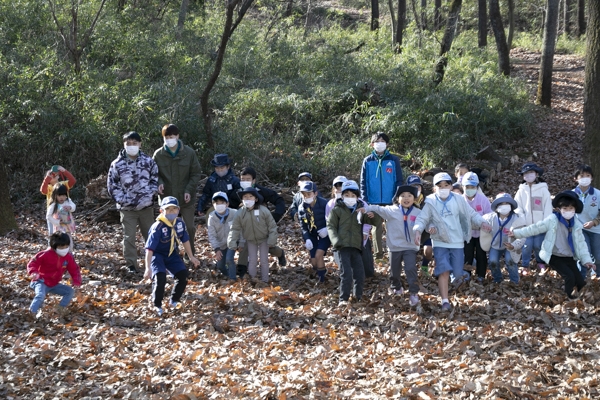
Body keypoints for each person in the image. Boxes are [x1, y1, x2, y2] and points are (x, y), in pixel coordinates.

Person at [413, 172, 491, 311]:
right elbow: (422, 218)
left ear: (451, 185)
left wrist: (482, 222)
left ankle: (455, 284)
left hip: (457, 241)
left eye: (446, 185)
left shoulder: (458, 199)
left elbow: (471, 214)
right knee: (443, 271)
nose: (443, 188)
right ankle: (445, 301)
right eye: (440, 186)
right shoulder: (430, 202)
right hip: (440, 241)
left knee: (457, 271)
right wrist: (418, 230)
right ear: (434, 188)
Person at [510, 191, 596, 299]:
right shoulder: (552, 220)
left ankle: (582, 298)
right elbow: (535, 228)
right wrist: (516, 233)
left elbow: (581, 244)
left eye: (571, 209)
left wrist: (587, 260)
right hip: (554, 255)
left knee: (579, 280)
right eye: (565, 209)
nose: (568, 212)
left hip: (569, 256)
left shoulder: (576, 225)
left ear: (575, 210)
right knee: (569, 276)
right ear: (559, 209)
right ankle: (570, 299)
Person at [107, 131, 159, 273]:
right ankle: (131, 265)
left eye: (134, 143)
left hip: (146, 207)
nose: (131, 146)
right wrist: (122, 199)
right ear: (124, 144)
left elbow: (155, 179)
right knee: (129, 237)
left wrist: (149, 194)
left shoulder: (148, 161)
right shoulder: (117, 164)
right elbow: (112, 185)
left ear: (140, 144)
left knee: (150, 236)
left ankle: (154, 262)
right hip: (127, 209)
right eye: (128, 143)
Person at [327, 180, 381, 306]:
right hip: (342, 247)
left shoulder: (360, 211)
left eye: (353, 196)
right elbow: (331, 226)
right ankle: (343, 299)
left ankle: (358, 297)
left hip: (357, 247)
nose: (350, 198)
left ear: (357, 197)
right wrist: (336, 241)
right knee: (346, 273)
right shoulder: (337, 210)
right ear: (342, 196)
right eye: (347, 195)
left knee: (359, 274)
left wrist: (372, 215)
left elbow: (376, 222)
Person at [144, 197, 200, 316]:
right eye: (168, 209)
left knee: (182, 275)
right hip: (157, 255)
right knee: (160, 278)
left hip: (172, 254)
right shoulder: (157, 227)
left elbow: (185, 240)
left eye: (174, 209)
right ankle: (157, 305)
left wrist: (191, 256)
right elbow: (149, 249)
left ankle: (174, 300)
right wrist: (147, 268)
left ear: (178, 210)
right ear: (161, 211)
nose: (171, 212)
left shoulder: (179, 223)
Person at [367, 185, 421, 306]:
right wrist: (365, 208)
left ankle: (413, 292)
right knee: (394, 271)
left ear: (414, 199)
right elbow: (378, 208)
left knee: (410, 268)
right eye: (402, 196)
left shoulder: (418, 212)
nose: (406, 198)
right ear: (397, 198)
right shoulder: (391, 210)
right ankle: (396, 287)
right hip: (395, 247)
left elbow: (425, 222)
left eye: (409, 196)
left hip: (410, 247)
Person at [153, 124, 202, 255]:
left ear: (177, 136)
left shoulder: (189, 152)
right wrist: (159, 182)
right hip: (167, 198)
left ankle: (190, 254)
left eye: (172, 136)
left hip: (186, 197)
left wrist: (188, 189)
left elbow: (196, 173)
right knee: (166, 228)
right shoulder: (158, 154)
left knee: (189, 228)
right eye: (167, 137)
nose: (169, 139)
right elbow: (154, 173)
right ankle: (170, 254)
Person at [229, 166, 287, 275]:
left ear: (254, 180)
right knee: (244, 243)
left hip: (261, 226)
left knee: (269, 247)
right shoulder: (236, 193)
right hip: (245, 225)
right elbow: (230, 208)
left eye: (248, 179)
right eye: (242, 179)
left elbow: (279, 200)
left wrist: (276, 215)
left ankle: (280, 253)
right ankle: (242, 269)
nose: (245, 182)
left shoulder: (262, 191)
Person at [360, 132, 403, 260]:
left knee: (392, 227)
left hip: (391, 200)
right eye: (377, 141)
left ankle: (393, 253)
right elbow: (363, 182)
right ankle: (378, 256)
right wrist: (365, 200)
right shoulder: (367, 161)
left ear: (387, 144)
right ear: (372, 144)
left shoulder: (393, 160)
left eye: (383, 141)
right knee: (376, 227)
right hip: (373, 201)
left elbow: (399, 180)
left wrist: (397, 197)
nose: (380, 143)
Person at [228, 187, 278, 283]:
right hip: (250, 240)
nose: (248, 199)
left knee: (264, 260)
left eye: (251, 197)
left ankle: (265, 280)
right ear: (242, 199)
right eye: (245, 197)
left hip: (264, 239)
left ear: (256, 199)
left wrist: (272, 239)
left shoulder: (263, 210)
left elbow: (272, 226)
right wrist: (232, 242)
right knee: (252, 260)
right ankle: (253, 279)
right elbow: (235, 228)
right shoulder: (240, 213)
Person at [27, 232, 82, 317]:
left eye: (66, 247)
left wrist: (76, 281)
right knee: (40, 295)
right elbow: (33, 263)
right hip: (41, 281)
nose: (64, 249)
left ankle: (59, 309)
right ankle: (31, 313)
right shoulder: (45, 254)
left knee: (69, 292)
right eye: (61, 247)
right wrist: (34, 272)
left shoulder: (68, 257)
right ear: (54, 247)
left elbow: (74, 269)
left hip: (54, 284)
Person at [514, 162, 553, 274]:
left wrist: (545, 222)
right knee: (526, 245)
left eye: (531, 172)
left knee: (538, 245)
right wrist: (521, 219)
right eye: (526, 173)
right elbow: (518, 207)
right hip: (526, 226)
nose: (529, 175)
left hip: (540, 225)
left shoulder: (543, 189)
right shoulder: (521, 191)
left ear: (536, 174)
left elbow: (547, 207)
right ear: (522, 176)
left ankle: (540, 262)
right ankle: (525, 264)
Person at [480, 193, 527, 284]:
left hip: (511, 245)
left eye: (507, 203)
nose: (504, 206)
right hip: (495, 245)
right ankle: (497, 279)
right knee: (492, 261)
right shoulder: (490, 218)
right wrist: (483, 226)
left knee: (510, 260)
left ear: (511, 206)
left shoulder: (517, 219)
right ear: (497, 207)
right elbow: (479, 221)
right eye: (501, 204)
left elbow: (522, 236)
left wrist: (513, 246)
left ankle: (514, 280)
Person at [297, 181, 330, 282]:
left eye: (309, 194)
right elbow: (303, 226)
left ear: (315, 193)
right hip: (312, 235)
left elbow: (332, 219)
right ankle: (321, 271)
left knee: (318, 255)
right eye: (304, 195)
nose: (306, 197)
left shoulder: (324, 204)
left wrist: (327, 229)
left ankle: (322, 280)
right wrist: (307, 239)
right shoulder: (302, 208)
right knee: (314, 260)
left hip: (325, 234)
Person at [461, 172, 492, 281]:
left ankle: (481, 275)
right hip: (466, 233)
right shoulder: (460, 200)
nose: (470, 189)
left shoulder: (483, 200)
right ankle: (466, 273)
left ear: (477, 187)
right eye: (467, 187)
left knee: (481, 254)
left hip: (481, 233)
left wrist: (485, 224)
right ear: (462, 187)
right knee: (467, 254)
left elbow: (489, 214)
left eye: (472, 187)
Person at [572, 165, 600, 278]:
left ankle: (597, 276)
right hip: (579, 229)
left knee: (597, 255)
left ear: (592, 178)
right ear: (576, 179)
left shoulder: (598, 194)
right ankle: (581, 278)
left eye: (587, 176)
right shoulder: (572, 194)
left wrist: (594, 222)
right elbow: (567, 212)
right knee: (583, 253)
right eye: (581, 176)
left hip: (596, 230)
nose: (585, 178)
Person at [207, 192, 238, 280]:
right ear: (213, 205)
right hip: (220, 244)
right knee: (220, 265)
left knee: (229, 259)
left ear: (227, 204)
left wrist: (240, 241)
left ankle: (233, 279)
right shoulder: (212, 217)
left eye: (222, 202)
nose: (219, 205)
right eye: (217, 203)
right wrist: (216, 248)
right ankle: (228, 274)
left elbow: (240, 228)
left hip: (232, 242)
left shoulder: (234, 213)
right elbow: (212, 235)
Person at [407, 174, 432, 275]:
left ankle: (425, 266)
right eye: (412, 187)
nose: (416, 189)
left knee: (428, 250)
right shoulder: (405, 201)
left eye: (418, 186)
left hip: (425, 233)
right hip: (409, 234)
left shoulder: (427, 202)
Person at [40, 165, 76, 235]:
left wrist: (64, 171)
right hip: (52, 213)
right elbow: (42, 190)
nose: (53, 175)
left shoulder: (63, 185)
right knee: (52, 232)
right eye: (51, 174)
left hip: (64, 211)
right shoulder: (49, 187)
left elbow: (73, 181)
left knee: (66, 230)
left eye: (54, 174)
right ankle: (52, 245)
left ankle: (66, 244)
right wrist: (48, 177)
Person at [46, 183, 76, 252]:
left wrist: (70, 207)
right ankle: (60, 255)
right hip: (59, 229)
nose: (62, 197)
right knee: (60, 243)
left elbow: (74, 207)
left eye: (63, 195)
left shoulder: (68, 201)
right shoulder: (54, 205)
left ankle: (69, 254)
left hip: (67, 226)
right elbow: (48, 216)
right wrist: (57, 222)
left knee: (69, 242)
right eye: (59, 195)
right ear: (55, 195)